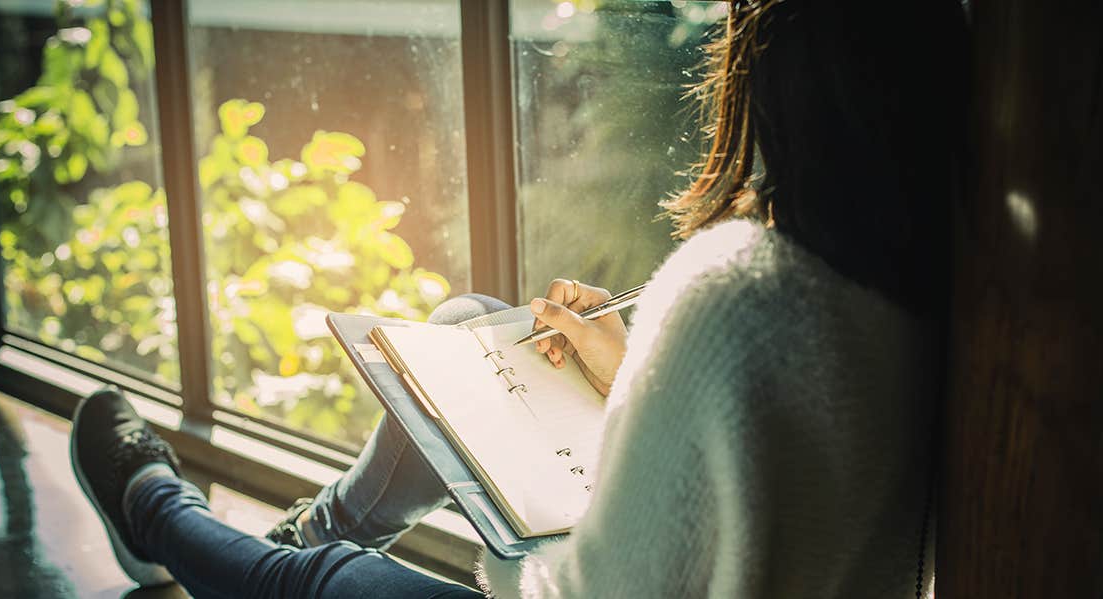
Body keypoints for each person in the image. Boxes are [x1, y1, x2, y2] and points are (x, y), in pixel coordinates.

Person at [70, 1, 969, 597]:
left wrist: (506, 533)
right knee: (470, 328)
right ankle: (303, 531)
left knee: (329, 584)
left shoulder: (738, 287)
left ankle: (153, 508)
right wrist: (631, 376)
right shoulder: (923, 299)